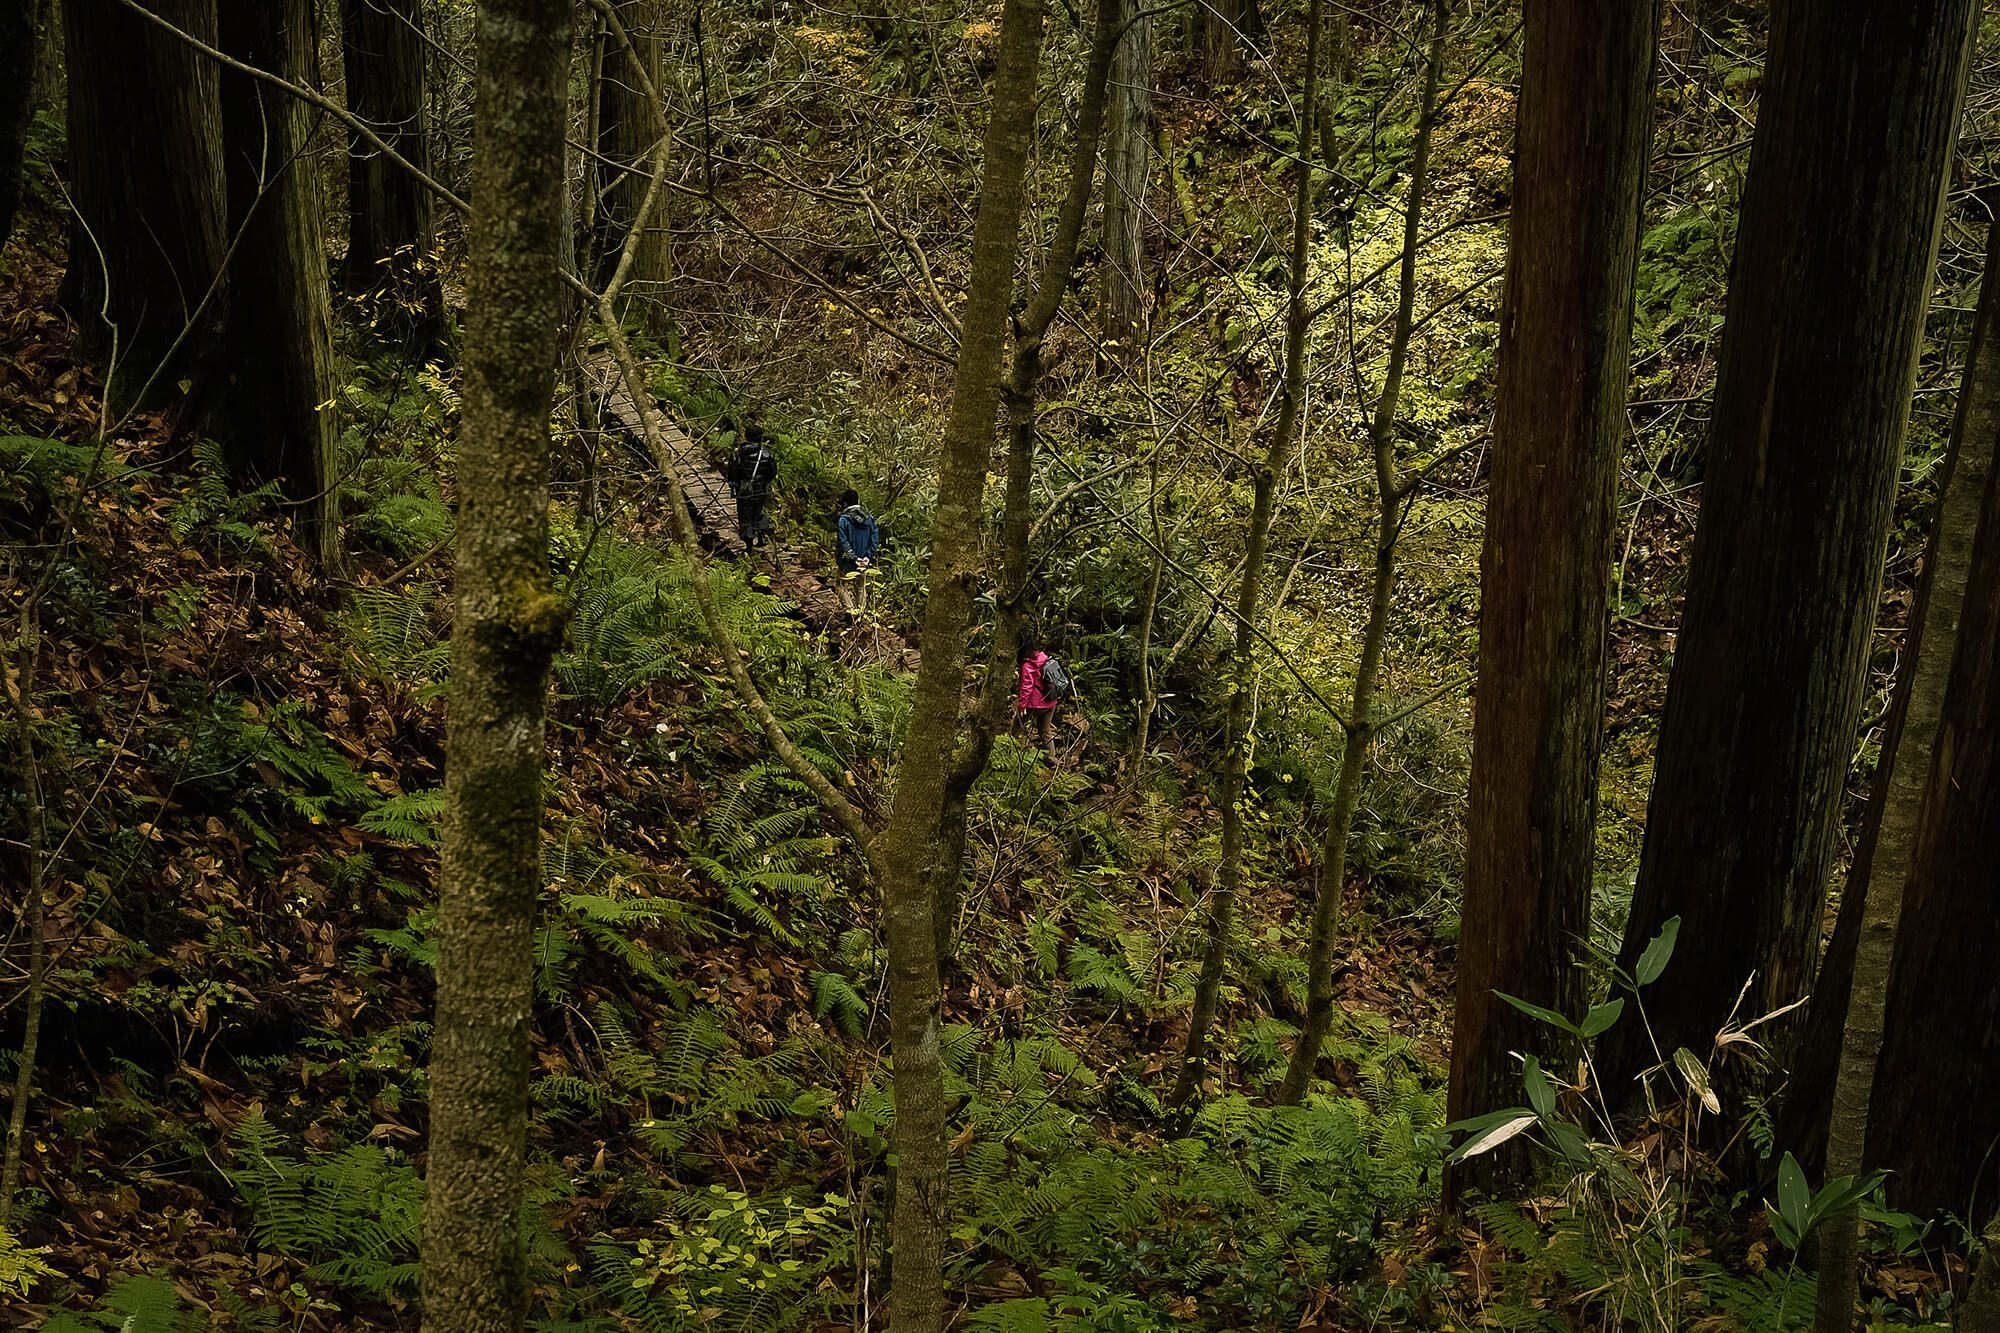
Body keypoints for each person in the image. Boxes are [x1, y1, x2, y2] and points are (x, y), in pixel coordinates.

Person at [726, 425, 776, 550]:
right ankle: (761, 536)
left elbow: (732, 471)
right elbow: (772, 472)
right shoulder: (767, 453)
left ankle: (749, 544)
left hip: (744, 488)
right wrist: (763, 482)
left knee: (744, 514)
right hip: (760, 488)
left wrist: (734, 484)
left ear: (747, 436)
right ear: (760, 437)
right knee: (759, 511)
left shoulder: (738, 452)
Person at [1012, 633, 1058, 763]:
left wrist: (1021, 707)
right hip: (1051, 701)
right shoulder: (1043, 656)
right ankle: (1052, 757)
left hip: (1035, 704)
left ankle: (1014, 748)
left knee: (1018, 724)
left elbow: (1026, 687)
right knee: (1045, 731)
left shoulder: (1028, 665)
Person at [834, 488, 881, 612]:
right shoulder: (870, 519)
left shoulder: (844, 520)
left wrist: (853, 558)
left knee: (840, 586)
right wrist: (867, 556)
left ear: (845, 503)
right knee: (861, 586)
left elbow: (842, 541)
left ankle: (851, 612)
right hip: (864, 560)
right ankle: (860, 614)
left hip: (847, 560)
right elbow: (874, 541)